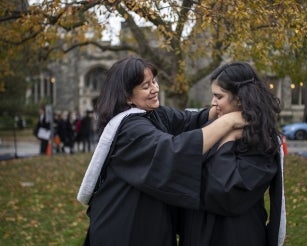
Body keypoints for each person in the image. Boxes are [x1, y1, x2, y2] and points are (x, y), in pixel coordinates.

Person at [77, 56, 246, 246]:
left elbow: (187, 120)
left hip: (150, 223)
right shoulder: (129, 129)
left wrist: (220, 107)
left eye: (154, 82)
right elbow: (172, 152)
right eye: (145, 86)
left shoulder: (155, 114)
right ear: (126, 96)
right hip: (124, 227)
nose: (155, 89)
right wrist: (230, 121)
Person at [178, 62, 286, 246]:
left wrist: (228, 139)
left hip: (235, 235)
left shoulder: (261, 142)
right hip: (198, 231)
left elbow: (226, 193)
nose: (213, 103)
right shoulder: (213, 128)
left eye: (218, 96)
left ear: (240, 99)